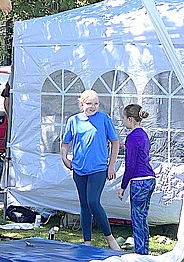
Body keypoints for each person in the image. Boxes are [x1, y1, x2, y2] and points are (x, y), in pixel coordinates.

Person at [60, 90, 121, 251]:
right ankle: (87, 241)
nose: (92, 107)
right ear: (82, 104)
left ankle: (110, 238)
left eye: (96, 104)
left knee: (93, 201)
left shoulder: (104, 119)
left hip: (99, 168)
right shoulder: (74, 120)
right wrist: (65, 158)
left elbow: (115, 142)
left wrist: (112, 165)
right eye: (89, 103)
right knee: (84, 204)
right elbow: (65, 142)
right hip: (79, 169)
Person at [117, 104, 156, 255]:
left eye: (124, 118)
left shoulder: (132, 137)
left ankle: (140, 253)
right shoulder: (144, 134)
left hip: (139, 180)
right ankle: (144, 250)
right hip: (149, 179)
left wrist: (123, 186)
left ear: (130, 119)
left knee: (137, 217)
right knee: (142, 216)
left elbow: (130, 165)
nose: (123, 121)